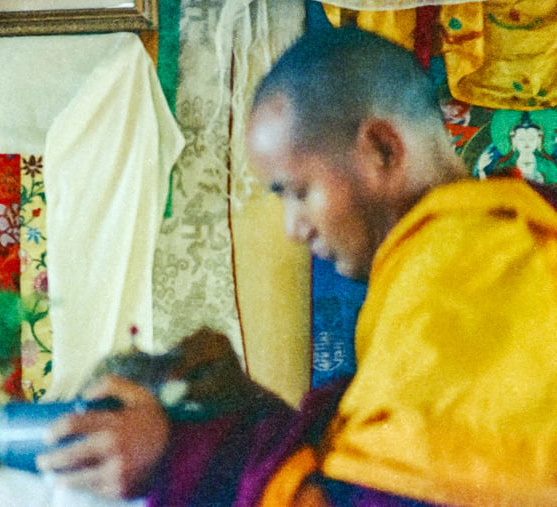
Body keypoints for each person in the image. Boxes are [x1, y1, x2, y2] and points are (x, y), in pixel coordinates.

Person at [37, 26, 557, 505]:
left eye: (298, 192)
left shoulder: (464, 263)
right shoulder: (489, 242)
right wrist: (248, 408)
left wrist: (175, 452)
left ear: (381, 148)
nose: (293, 227)